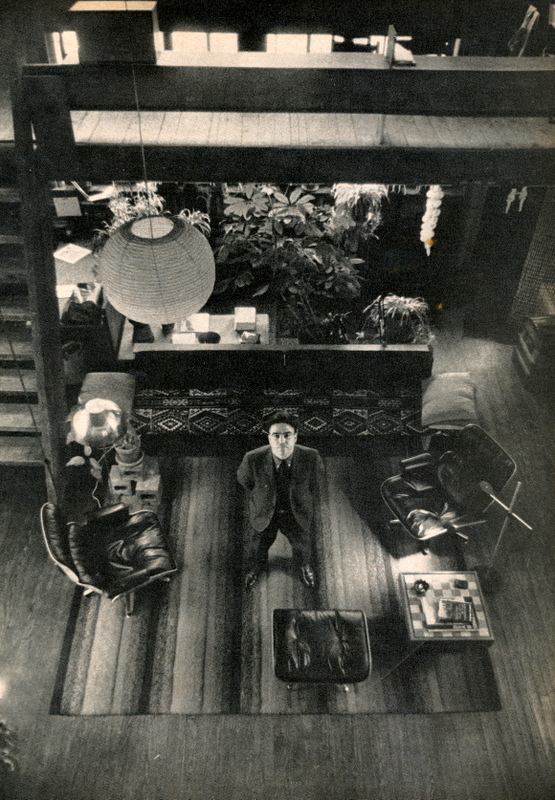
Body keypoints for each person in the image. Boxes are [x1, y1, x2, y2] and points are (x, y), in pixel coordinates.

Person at [237, 411, 324, 591]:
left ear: (296, 437)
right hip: (265, 512)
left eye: (287, 435)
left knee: (302, 544)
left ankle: (304, 565)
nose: (282, 441)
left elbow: (316, 482)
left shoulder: (311, 457)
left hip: (296, 512)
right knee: (258, 544)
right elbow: (246, 481)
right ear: (269, 438)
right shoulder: (252, 459)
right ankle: (256, 566)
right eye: (276, 436)